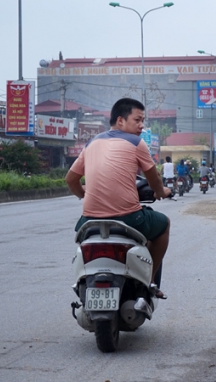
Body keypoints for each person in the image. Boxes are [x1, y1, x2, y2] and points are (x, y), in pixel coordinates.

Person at [65, 97, 172, 299]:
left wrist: (84, 194)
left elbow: (71, 180)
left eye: (143, 121)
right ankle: (149, 280)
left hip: (89, 221)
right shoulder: (136, 143)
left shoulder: (91, 143)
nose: (142, 126)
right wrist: (160, 192)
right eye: (138, 120)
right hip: (129, 218)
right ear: (120, 121)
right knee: (164, 224)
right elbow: (153, 177)